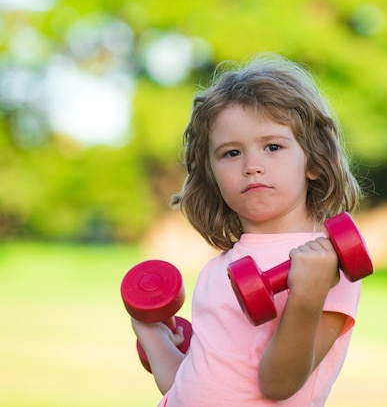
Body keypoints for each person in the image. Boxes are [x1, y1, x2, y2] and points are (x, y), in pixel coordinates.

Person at [131, 53, 365, 406]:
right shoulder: (217, 270)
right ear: (211, 175)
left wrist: (307, 298)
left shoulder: (328, 265)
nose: (252, 166)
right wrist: (152, 333)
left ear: (313, 162)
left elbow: (278, 383)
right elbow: (191, 387)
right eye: (231, 153)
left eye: (273, 147)